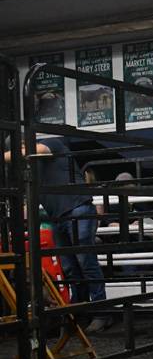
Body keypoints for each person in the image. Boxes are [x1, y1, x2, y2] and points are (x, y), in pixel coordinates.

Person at [4, 136, 111, 333]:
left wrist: (7, 156)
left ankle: (100, 313)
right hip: (59, 216)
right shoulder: (33, 167)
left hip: (77, 208)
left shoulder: (52, 144)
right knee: (71, 267)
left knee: (85, 262)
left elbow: (28, 152)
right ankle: (79, 312)